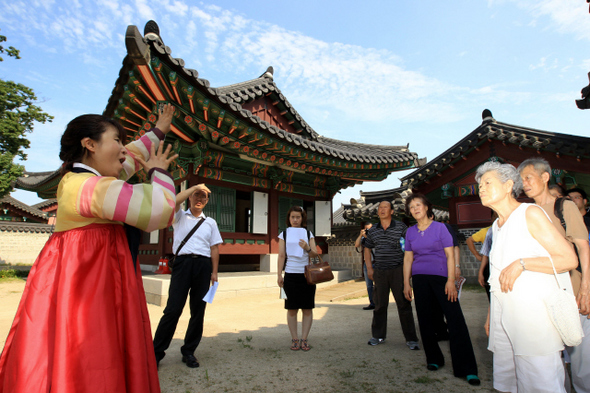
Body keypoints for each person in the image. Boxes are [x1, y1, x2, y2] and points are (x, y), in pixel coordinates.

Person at [0, 105, 178, 392]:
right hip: (92, 292)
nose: (123, 149)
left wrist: (158, 131)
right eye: (116, 140)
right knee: (94, 355)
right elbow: (157, 210)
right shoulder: (92, 188)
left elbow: (129, 157)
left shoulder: (79, 180)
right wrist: (158, 171)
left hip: (87, 283)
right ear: (90, 144)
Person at [477, 161, 578, 393]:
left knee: (540, 381)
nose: (480, 188)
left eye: (487, 183)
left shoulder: (529, 214)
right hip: (504, 318)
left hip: (534, 318)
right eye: (480, 184)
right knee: (511, 382)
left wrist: (523, 264)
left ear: (508, 185)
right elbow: (497, 279)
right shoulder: (496, 225)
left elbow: (569, 259)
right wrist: (491, 315)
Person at [518, 157, 590, 393]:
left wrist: (586, 289)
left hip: (571, 288)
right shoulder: (527, 212)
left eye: (528, 177)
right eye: (522, 180)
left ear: (544, 177)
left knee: (580, 358)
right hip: (542, 292)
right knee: (552, 357)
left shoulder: (564, 206)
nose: (524, 183)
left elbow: (583, 247)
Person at [402, 194, 480, 386]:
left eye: (418, 205)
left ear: (427, 207)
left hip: (442, 278)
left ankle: (467, 368)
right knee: (426, 320)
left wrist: (451, 280)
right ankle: (434, 359)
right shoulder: (410, 232)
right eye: (411, 207)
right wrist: (406, 283)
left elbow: (450, 254)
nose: (415, 209)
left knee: (455, 320)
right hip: (420, 279)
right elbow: (408, 259)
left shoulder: (441, 228)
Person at [153, 184, 223, 368]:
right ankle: (156, 352)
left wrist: (214, 272)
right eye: (196, 195)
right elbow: (174, 200)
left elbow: (214, 247)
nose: (199, 199)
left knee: (198, 311)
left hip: (203, 265)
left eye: (204, 197)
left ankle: (189, 351)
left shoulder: (211, 222)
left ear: (207, 201)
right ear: (190, 197)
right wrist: (195, 187)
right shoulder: (179, 216)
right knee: (173, 309)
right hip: (182, 265)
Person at [364, 201, 419, 349]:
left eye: (385, 207)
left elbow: (410, 245)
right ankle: (378, 335)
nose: (382, 210)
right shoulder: (373, 230)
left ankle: (411, 339)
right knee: (380, 305)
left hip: (398, 270)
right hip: (380, 271)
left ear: (392, 211)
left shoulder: (401, 227)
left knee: (403, 304)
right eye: (380, 208)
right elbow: (367, 248)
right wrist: (370, 268)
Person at [277, 206, 318, 351]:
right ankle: (294, 339)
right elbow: (281, 255)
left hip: (307, 275)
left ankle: (304, 339)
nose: (295, 220)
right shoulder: (284, 234)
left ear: (302, 219)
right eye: (292, 217)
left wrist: (307, 247)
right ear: (288, 218)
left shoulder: (308, 233)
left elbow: (315, 254)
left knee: (307, 308)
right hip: (290, 274)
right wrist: (279, 275)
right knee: (292, 308)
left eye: (298, 217)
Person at [355, 222, 375, 310]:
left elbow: (374, 244)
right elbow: (356, 245)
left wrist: (368, 236)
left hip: (376, 263)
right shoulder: (363, 238)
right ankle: (372, 303)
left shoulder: (376, 237)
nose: (368, 231)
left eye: (370, 229)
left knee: (379, 284)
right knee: (369, 285)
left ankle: (380, 303)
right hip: (367, 264)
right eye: (366, 229)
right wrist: (360, 235)